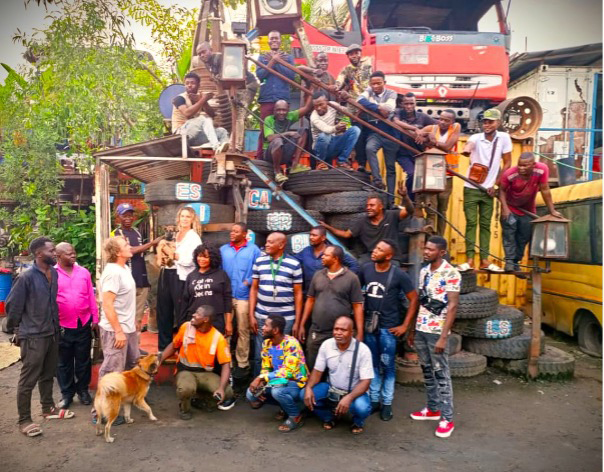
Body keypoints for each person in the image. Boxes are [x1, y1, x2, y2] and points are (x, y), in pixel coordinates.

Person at [6, 237, 74, 437]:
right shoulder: (26, 277)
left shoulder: (53, 272)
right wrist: (16, 331)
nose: (55, 254)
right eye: (51, 251)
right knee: (28, 380)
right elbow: (13, 307)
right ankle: (24, 420)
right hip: (33, 336)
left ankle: (48, 408)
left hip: (52, 333)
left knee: (48, 374)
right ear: (39, 254)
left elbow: (52, 303)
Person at [359, 239, 418, 421]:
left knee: (388, 366)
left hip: (388, 328)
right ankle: (375, 399)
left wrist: (405, 326)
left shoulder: (399, 275)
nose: (374, 251)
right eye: (375, 247)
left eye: (379, 250)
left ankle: (387, 403)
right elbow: (359, 295)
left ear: (389, 256)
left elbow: (414, 299)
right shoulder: (366, 269)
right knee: (373, 365)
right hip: (370, 326)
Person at [409, 236, 460, 439]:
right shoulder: (423, 271)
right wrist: (413, 329)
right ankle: (432, 409)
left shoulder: (451, 273)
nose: (426, 252)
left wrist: (443, 337)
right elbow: (422, 302)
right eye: (425, 248)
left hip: (437, 331)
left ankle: (447, 418)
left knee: (441, 373)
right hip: (422, 328)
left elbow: (453, 306)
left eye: (431, 249)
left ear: (442, 252)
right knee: (427, 370)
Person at [159, 305, 236, 420]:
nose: (193, 315)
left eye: (198, 314)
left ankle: (201, 400)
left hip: (205, 373)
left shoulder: (217, 338)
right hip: (185, 370)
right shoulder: (186, 327)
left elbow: (226, 364)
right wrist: (159, 360)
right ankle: (184, 409)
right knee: (186, 389)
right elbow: (174, 346)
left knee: (227, 391)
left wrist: (221, 388)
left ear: (206, 319)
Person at [459, 108, 512, 272]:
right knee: (471, 223)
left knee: (485, 225)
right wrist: (466, 149)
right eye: (485, 122)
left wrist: (495, 184)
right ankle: (469, 260)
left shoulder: (504, 138)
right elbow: (469, 146)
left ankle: (484, 260)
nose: (487, 125)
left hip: (489, 190)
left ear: (498, 122)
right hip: (471, 187)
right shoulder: (476, 137)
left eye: (490, 122)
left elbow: (508, 163)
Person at [296, 245, 364, 370]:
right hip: (317, 331)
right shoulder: (318, 275)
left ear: (335, 259)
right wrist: (302, 324)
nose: (322, 257)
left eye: (326, 255)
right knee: (313, 365)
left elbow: (357, 306)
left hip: (340, 333)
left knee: (338, 367)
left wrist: (359, 332)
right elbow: (310, 300)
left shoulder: (351, 278)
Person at [302, 316, 373, 434]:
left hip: (354, 392)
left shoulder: (363, 350)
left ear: (352, 332)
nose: (338, 333)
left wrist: (349, 397)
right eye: (336, 329)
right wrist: (308, 388)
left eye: (343, 330)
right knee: (304, 395)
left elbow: (366, 381)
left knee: (362, 407)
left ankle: (357, 421)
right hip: (332, 389)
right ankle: (329, 417)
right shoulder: (327, 345)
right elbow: (317, 371)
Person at [249, 232, 303, 376]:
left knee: (282, 355)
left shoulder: (294, 264)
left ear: (281, 245)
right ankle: (257, 388)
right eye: (266, 241)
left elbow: (298, 294)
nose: (266, 244)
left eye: (271, 242)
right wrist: (251, 315)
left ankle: (277, 388)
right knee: (260, 354)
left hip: (286, 318)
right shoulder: (259, 261)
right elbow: (254, 289)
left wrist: (297, 321)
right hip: (262, 316)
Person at [499, 152, 563, 271]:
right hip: (511, 207)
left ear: (533, 165)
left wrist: (552, 210)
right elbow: (501, 191)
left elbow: (545, 190)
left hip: (527, 209)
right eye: (519, 165)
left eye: (525, 166)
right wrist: (505, 209)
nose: (521, 168)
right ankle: (509, 262)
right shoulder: (510, 174)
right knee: (509, 234)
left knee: (524, 236)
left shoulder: (542, 170)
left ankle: (516, 262)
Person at [320, 185, 413, 264]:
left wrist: (405, 196)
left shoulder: (392, 215)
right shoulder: (362, 221)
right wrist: (327, 227)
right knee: (358, 266)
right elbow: (346, 234)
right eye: (367, 205)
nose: (368, 208)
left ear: (381, 207)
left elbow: (410, 210)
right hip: (372, 256)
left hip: (391, 257)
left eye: (372, 205)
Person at [54, 242, 98, 410]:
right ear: (58, 257)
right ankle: (67, 394)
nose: (73, 255)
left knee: (83, 360)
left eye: (74, 252)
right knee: (63, 363)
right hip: (62, 325)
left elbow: (90, 296)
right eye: (68, 253)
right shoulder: (52, 274)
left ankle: (83, 391)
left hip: (83, 323)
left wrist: (95, 318)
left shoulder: (84, 273)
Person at [246, 315, 308, 432]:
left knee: (277, 391)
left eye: (266, 325)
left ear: (275, 330)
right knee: (251, 393)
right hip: (277, 381)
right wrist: (262, 381)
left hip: (295, 383)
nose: (262, 328)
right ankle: (284, 407)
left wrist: (261, 377)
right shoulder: (266, 344)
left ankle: (295, 415)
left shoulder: (291, 343)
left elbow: (288, 372)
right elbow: (266, 368)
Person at [195, 41, 260, 152]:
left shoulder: (220, 58)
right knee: (234, 114)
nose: (202, 55)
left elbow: (232, 73)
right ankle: (233, 142)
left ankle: (237, 146)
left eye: (204, 52)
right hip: (234, 88)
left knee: (239, 114)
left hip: (247, 85)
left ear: (210, 50)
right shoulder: (208, 64)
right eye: (199, 54)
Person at [112, 203, 162, 342]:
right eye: (124, 215)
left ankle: (136, 347)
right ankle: (125, 346)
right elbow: (132, 251)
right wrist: (151, 243)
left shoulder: (136, 232)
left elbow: (140, 252)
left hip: (141, 281)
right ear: (118, 217)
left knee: (138, 318)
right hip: (127, 281)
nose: (128, 218)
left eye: (130, 215)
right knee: (126, 316)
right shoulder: (116, 234)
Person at [157, 206, 202, 351]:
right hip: (166, 273)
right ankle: (163, 348)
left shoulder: (193, 237)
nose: (184, 219)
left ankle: (184, 348)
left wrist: (173, 254)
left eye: (187, 216)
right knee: (163, 311)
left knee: (182, 313)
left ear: (192, 219)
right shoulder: (175, 234)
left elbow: (191, 261)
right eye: (182, 216)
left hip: (180, 277)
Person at [220, 222, 262, 373]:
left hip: (244, 297)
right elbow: (219, 270)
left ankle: (242, 362)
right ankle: (226, 361)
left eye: (236, 231)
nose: (232, 233)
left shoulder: (254, 250)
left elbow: (259, 269)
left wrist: (247, 281)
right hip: (226, 296)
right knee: (226, 330)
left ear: (244, 234)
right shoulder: (223, 250)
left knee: (243, 330)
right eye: (232, 231)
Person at [98, 237, 139, 380]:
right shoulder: (112, 273)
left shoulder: (125, 268)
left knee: (132, 366)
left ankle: (127, 400)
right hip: (115, 331)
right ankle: (106, 401)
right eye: (125, 244)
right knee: (113, 372)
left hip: (128, 328)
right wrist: (118, 331)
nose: (129, 246)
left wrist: (132, 321)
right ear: (117, 252)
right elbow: (107, 305)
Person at [414, 110, 461, 234]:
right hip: (432, 175)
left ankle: (440, 238)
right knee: (432, 209)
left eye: (447, 120)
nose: (443, 122)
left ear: (452, 122)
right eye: (441, 119)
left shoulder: (456, 127)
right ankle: (431, 239)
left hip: (448, 175)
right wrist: (426, 134)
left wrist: (433, 140)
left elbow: (447, 147)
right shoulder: (433, 128)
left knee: (442, 209)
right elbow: (417, 131)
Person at [356, 71, 399, 197]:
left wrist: (370, 106)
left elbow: (389, 108)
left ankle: (391, 199)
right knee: (369, 148)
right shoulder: (369, 90)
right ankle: (377, 180)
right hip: (375, 130)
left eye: (378, 83)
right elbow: (359, 99)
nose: (375, 86)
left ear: (384, 83)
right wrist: (378, 108)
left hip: (390, 132)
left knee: (390, 167)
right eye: (373, 84)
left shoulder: (391, 93)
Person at [333, 44, 373, 176]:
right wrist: (337, 86)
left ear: (360, 54)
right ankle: (361, 164)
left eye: (356, 53)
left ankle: (368, 165)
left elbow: (366, 86)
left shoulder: (367, 64)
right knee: (359, 135)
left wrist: (357, 98)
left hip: (366, 105)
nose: (354, 56)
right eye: (351, 54)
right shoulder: (347, 69)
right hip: (354, 108)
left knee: (369, 135)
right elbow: (340, 78)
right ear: (348, 56)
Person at [256, 30, 297, 159]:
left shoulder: (288, 58)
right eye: (272, 39)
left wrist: (277, 61)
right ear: (268, 41)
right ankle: (260, 157)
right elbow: (260, 75)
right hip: (267, 98)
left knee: (284, 128)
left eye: (276, 39)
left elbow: (290, 75)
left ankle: (283, 157)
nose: (274, 41)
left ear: (280, 41)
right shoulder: (262, 57)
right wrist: (272, 61)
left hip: (283, 98)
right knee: (264, 129)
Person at [180, 243, 233, 336]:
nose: (201, 259)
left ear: (212, 258)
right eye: (199, 256)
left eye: (205, 257)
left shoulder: (221, 275)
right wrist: (182, 323)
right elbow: (185, 301)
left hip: (216, 320)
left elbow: (227, 300)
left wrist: (228, 323)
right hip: (195, 320)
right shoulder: (191, 276)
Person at [393, 92, 437, 200]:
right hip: (403, 153)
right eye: (406, 103)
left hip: (418, 154)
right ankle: (407, 199)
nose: (409, 106)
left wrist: (430, 134)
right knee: (412, 174)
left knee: (420, 179)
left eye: (411, 103)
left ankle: (413, 203)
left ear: (415, 103)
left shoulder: (422, 117)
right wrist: (415, 129)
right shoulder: (398, 113)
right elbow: (396, 121)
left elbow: (436, 125)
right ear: (402, 104)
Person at [171, 71, 229, 152]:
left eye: (192, 83)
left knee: (222, 131)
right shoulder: (179, 98)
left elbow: (212, 114)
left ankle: (222, 152)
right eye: (187, 83)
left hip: (194, 137)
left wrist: (203, 102)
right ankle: (216, 146)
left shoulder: (198, 98)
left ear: (198, 85)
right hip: (181, 135)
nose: (189, 85)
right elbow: (187, 113)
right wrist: (203, 99)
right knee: (202, 118)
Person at [263, 93, 314, 183]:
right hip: (270, 154)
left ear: (288, 110)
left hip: (283, 152)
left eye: (284, 110)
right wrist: (288, 133)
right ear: (274, 110)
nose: (281, 112)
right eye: (278, 110)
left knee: (303, 131)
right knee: (277, 141)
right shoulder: (269, 119)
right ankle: (277, 172)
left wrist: (312, 91)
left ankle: (294, 166)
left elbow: (307, 108)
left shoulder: (290, 116)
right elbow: (270, 138)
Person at [293, 225, 359, 294]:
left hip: (329, 295)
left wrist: (344, 280)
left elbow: (354, 264)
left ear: (323, 238)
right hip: (309, 294)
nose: (311, 237)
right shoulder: (306, 251)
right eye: (310, 235)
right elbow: (292, 261)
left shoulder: (333, 251)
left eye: (314, 235)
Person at [310, 91, 360, 170]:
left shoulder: (333, 105)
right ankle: (321, 162)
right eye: (316, 106)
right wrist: (336, 127)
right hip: (320, 149)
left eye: (321, 104)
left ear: (327, 102)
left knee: (355, 130)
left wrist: (348, 98)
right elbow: (326, 129)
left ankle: (342, 161)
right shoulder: (314, 117)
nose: (318, 108)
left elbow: (349, 112)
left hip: (334, 143)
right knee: (324, 135)